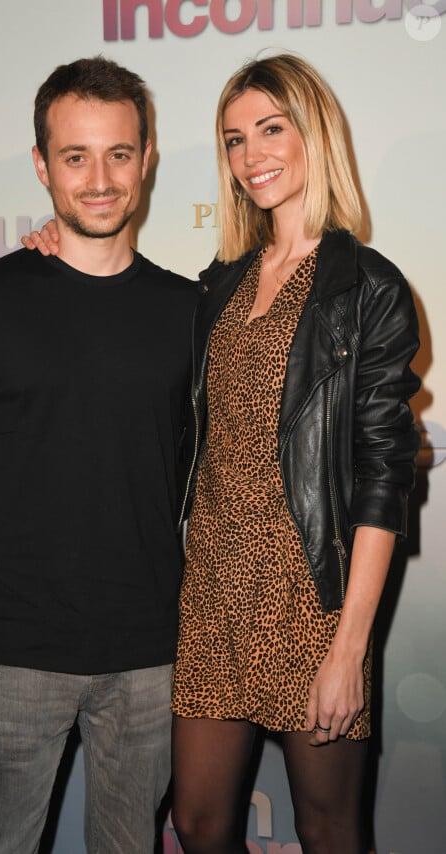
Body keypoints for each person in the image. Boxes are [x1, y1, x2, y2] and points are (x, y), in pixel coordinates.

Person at [0, 56, 197, 854]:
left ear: (148, 159)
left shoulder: (191, 311)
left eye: (119, 154)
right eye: (75, 156)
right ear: (42, 165)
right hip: (11, 653)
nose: (99, 179)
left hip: (152, 655)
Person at [169, 54, 420, 854]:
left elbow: (384, 477)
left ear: (315, 133)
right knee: (198, 824)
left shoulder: (369, 288)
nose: (251, 156)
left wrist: (349, 650)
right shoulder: (221, 283)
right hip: (211, 586)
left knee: (328, 830)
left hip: (312, 600)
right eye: (235, 139)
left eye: (271, 129)